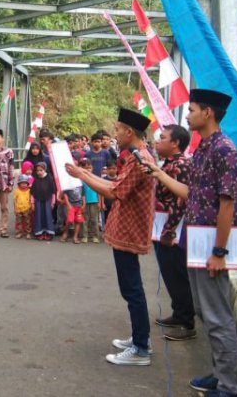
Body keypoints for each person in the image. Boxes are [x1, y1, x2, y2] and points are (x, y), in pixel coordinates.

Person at [146, 89, 237, 397]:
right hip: (197, 239)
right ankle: (219, 374)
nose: (187, 116)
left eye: (191, 109)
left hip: (212, 243)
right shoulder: (203, 149)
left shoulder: (224, 149)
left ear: (208, 113)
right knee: (206, 310)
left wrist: (219, 251)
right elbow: (192, 194)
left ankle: (229, 388)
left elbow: (227, 205)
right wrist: (159, 173)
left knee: (218, 316)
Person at [66, 108, 156, 366]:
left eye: (117, 129)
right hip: (125, 228)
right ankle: (140, 338)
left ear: (129, 131)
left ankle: (140, 348)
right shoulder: (135, 156)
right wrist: (84, 174)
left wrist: (82, 175)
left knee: (132, 289)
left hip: (129, 230)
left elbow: (114, 191)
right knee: (131, 288)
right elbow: (113, 185)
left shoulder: (140, 159)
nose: (115, 134)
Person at [152, 125, 196, 342]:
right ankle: (178, 313)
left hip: (174, 230)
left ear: (175, 143)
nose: (158, 141)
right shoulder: (168, 164)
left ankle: (187, 323)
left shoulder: (182, 165)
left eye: (162, 138)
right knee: (169, 274)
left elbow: (182, 200)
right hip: (163, 227)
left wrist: (169, 231)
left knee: (178, 275)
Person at [31, 162, 56, 241]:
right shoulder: (35, 179)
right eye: (37, 170)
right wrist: (32, 203)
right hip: (38, 201)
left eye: (41, 170)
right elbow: (32, 192)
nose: (39, 172)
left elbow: (53, 192)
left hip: (47, 200)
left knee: (47, 216)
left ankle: (48, 233)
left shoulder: (49, 178)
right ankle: (39, 233)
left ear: (44, 169)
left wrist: (53, 202)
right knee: (39, 216)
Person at [79, 158, 100, 244]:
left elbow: (99, 191)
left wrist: (100, 202)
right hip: (84, 202)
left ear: (92, 168)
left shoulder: (95, 178)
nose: (88, 169)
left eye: (89, 167)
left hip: (94, 201)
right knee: (85, 219)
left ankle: (95, 236)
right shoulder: (81, 179)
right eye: (86, 168)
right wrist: (82, 203)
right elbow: (81, 193)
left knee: (94, 219)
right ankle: (85, 236)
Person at [99, 158, 118, 229]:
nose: (112, 170)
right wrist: (102, 203)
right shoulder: (104, 179)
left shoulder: (119, 179)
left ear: (117, 169)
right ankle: (106, 232)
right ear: (106, 169)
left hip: (116, 204)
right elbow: (101, 192)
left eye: (114, 168)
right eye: (110, 168)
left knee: (115, 219)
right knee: (106, 218)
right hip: (106, 203)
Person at [13, 174, 33, 239]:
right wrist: (15, 208)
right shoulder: (16, 191)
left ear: (27, 184)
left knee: (28, 222)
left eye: (25, 183)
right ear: (19, 184)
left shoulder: (29, 191)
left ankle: (28, 233)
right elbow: (15, 200)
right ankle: (19, 233)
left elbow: (31, 199)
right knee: (19, 222)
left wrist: (31, 207)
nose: (24, 185)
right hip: (18, 209)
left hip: (27, 208)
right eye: (22, 183)